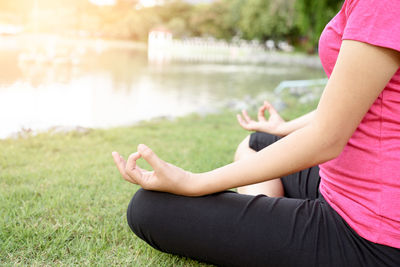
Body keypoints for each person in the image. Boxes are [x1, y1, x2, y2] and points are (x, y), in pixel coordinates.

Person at [112, 0, 400, 266]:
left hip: (373, 236)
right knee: (255, 142)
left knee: (149, 208)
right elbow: (359, 101)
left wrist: (193, 182)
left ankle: (277, 233)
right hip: (342, 187)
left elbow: (326, 140)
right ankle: (275, 230)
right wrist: (284, 128)